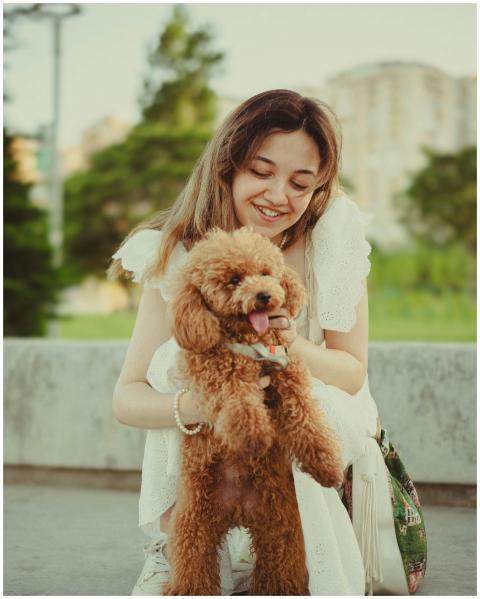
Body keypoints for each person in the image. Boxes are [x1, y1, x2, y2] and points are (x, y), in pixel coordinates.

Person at [108, 89, 409, 596]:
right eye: (260, 171)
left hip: (323, 407)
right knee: (172, 361)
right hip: (213, 427)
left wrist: (291, 349)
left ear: (319, 187)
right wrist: (202, 404)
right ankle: (174, 548)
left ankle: (295, 553)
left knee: (301, 406)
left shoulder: (332, 235)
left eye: (300, 182)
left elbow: (353, 372)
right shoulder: (181, 251)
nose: (278, 196)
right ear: (227, 166)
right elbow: (127, 397)